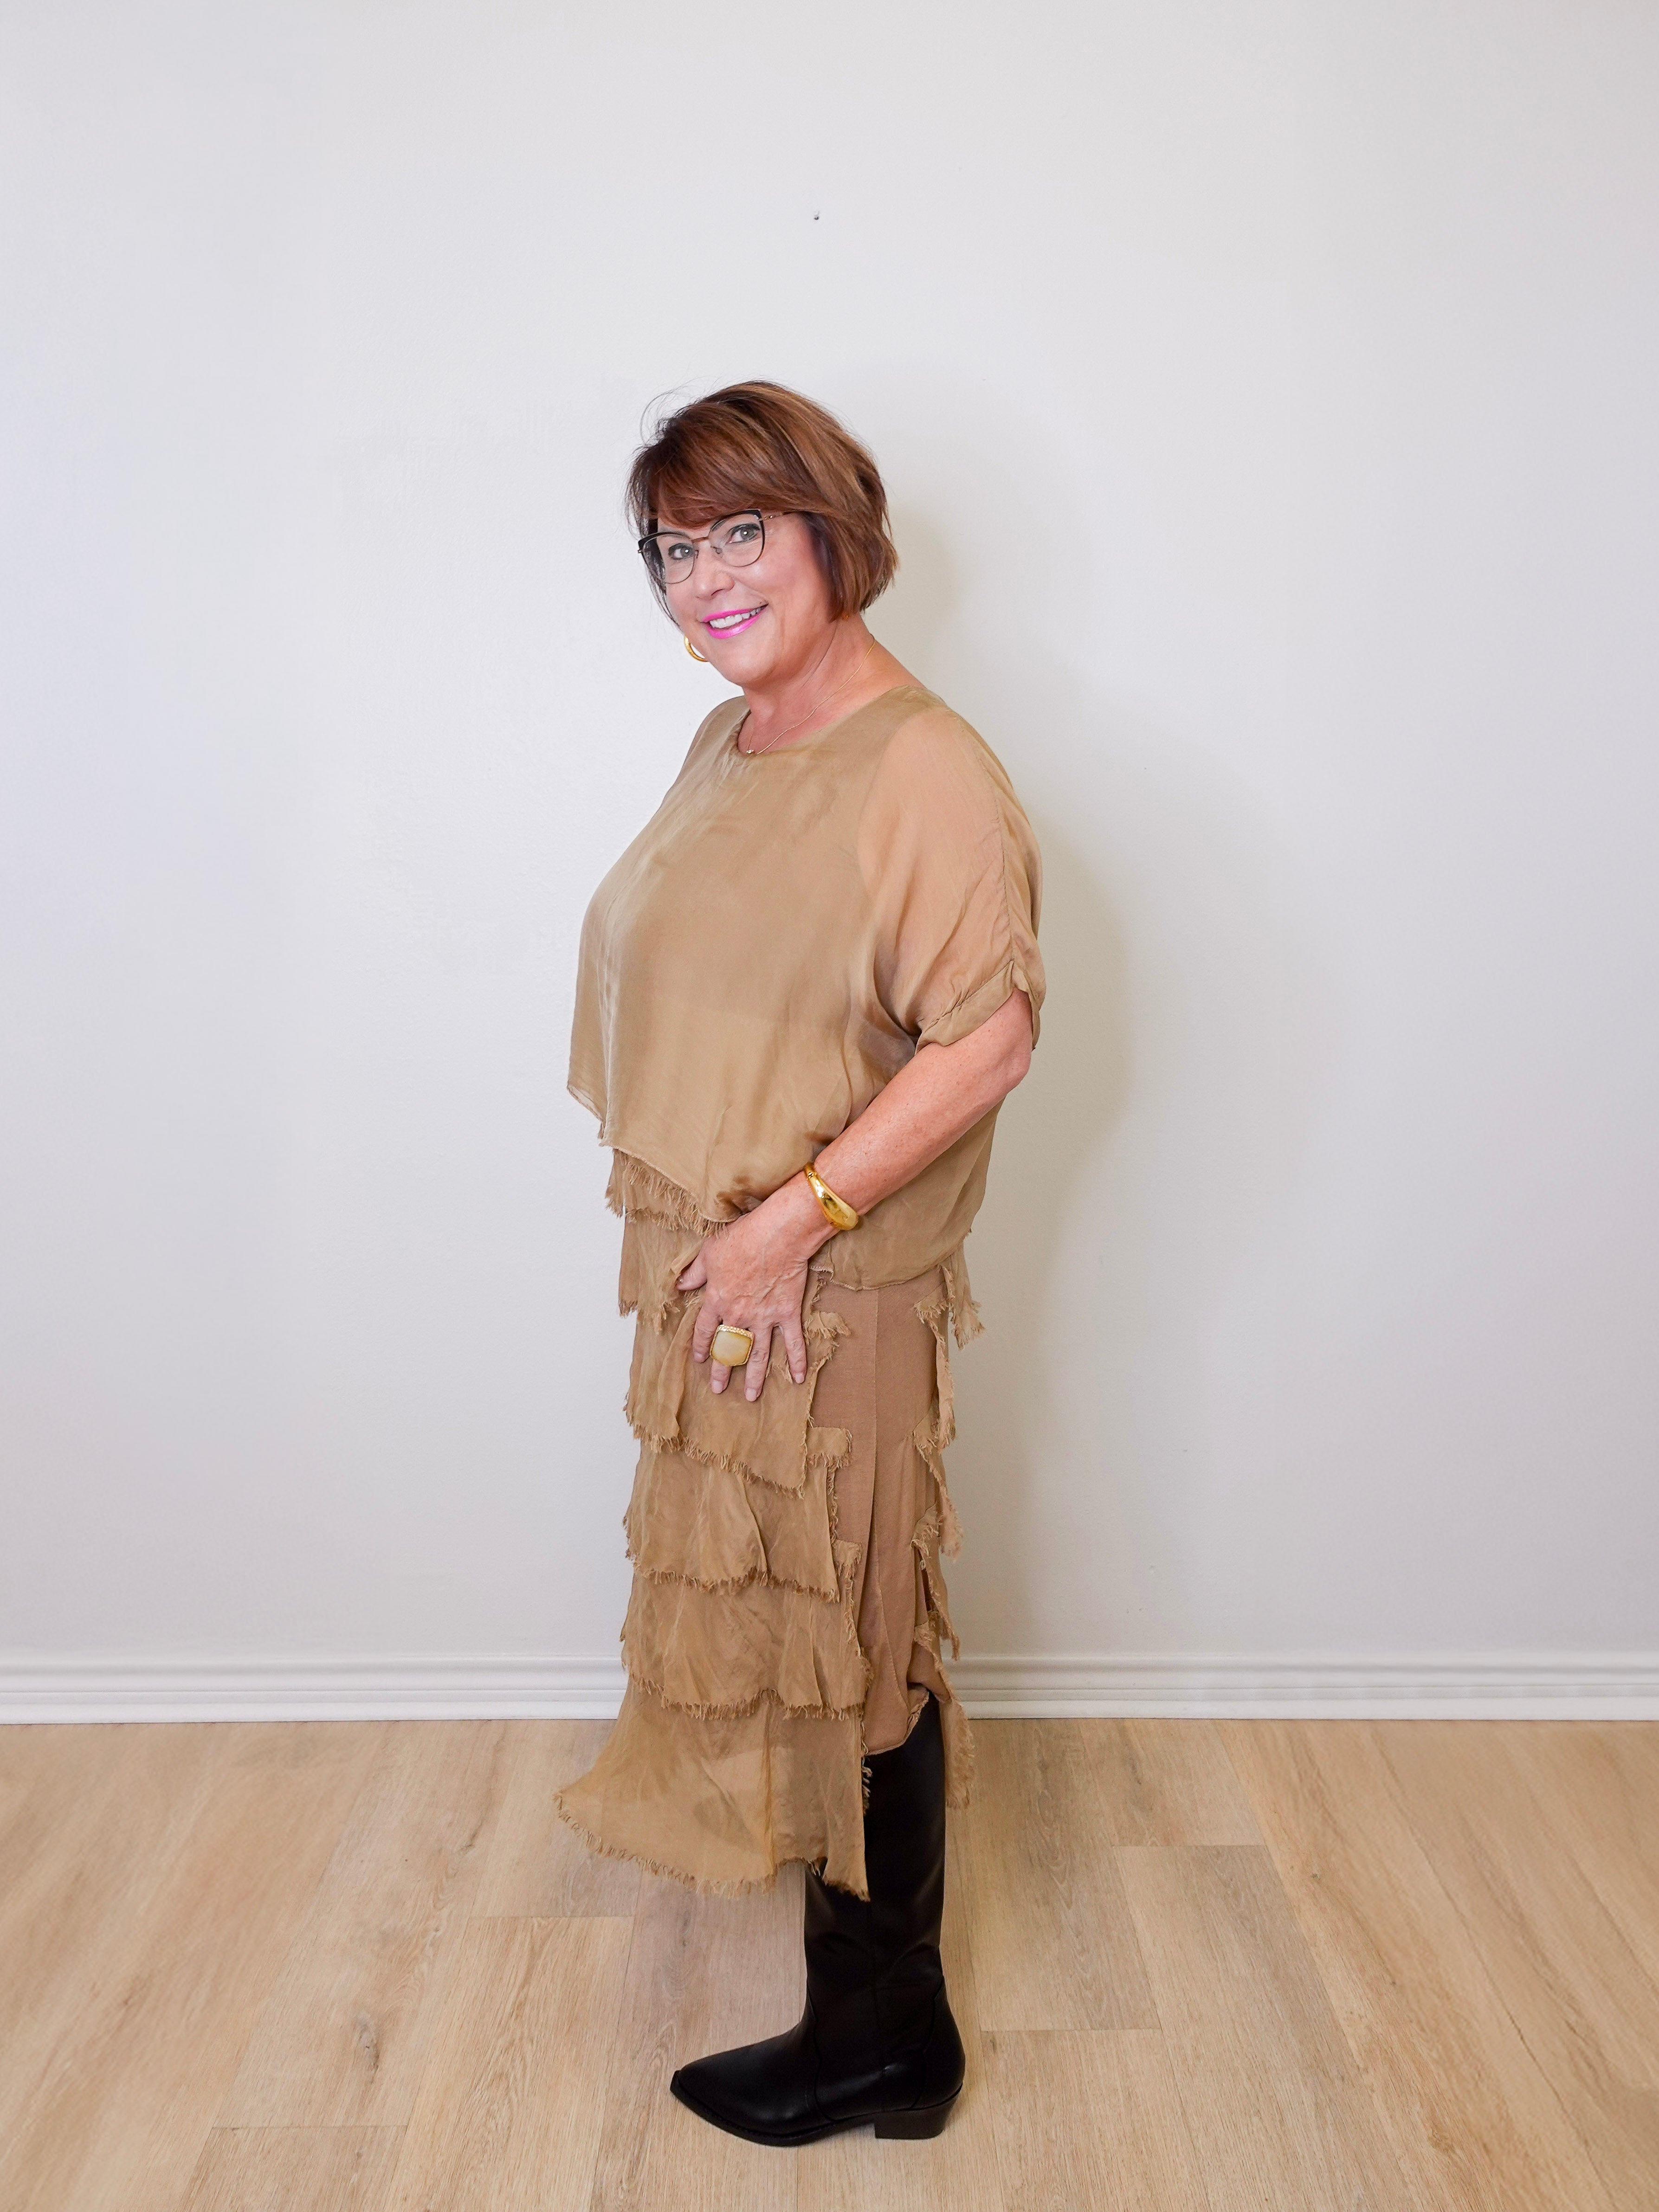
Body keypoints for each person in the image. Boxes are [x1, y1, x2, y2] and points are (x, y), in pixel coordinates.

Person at [556, 380, 1044, 2147]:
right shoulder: (734, 738)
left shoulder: (924, 769)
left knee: (858, 1637)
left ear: (833, 528)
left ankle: (888, 2040)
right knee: (801, 1625)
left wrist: (787, 1228)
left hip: (823, 1290)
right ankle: (866, 2016)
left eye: (740, 533)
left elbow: (987, 1039)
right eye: (673, 551)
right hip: (729, 1280)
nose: (704, 582)